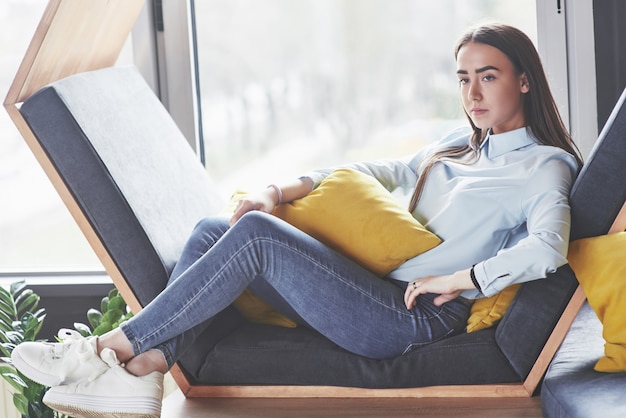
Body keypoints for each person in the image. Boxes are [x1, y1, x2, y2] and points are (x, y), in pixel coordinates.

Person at [11, 23, 583, 418]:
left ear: (524, 80)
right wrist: (276, 189)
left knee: (256, 238)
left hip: (411, 318)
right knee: (220, 229)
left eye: (488, 75)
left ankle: (106, 350)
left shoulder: (545, 167)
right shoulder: (461, 144)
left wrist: (461, 280)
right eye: (463, 77)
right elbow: (372, 170)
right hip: (372, 289)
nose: (473, 92)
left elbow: (548, 249)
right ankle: (148, 369)